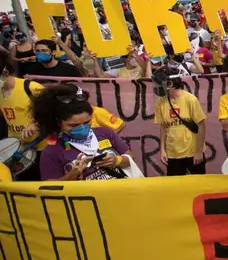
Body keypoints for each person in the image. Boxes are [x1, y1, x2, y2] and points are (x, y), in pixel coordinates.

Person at [32, 84, 137, 181]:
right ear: (59, 123)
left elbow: (129, 156)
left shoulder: (105, 132)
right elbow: (49, 187)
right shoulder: (51, 151)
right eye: (73, 125)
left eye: (87, 122)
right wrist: (72, 175)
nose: (82, 128)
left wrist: (116, 161)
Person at [0, 50, 47, 180]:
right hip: (17, 150)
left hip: (42, 148)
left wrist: (34, 123)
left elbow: (54, 111)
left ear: (5, 73)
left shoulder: (31, 87)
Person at [153, 66, 207, 175]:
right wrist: (162, 150)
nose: (158, 87)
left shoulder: (190, 100)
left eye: (160, 84)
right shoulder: (160, 103)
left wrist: (199, 151)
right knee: (175, 187)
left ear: (170, 84)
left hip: (192, 152)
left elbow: (201, 125)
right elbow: (163, 127)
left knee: (198, 184)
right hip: (172, 154)